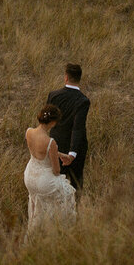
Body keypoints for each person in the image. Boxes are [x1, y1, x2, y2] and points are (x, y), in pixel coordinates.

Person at [24, 104, 76, 233]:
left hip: (29, 176)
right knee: (68, 194)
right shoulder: (50, 141)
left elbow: (41, 151)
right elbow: (56, 170)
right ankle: (57, 230)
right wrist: (62, 160)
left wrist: (61, 155)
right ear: (53, 122)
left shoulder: (29, 131)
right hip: (44, 181)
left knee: (38, 201)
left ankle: (36, 230)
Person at [47, 63, 90, 191]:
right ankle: (76, 208)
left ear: (66, 77)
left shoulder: (53, 95)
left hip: (56, 145)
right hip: (76, 148)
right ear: (79, 78)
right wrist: (72, 153)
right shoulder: (83, 100)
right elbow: (78, 127)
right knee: (76, 182)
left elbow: (48, 121)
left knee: (56, 181)